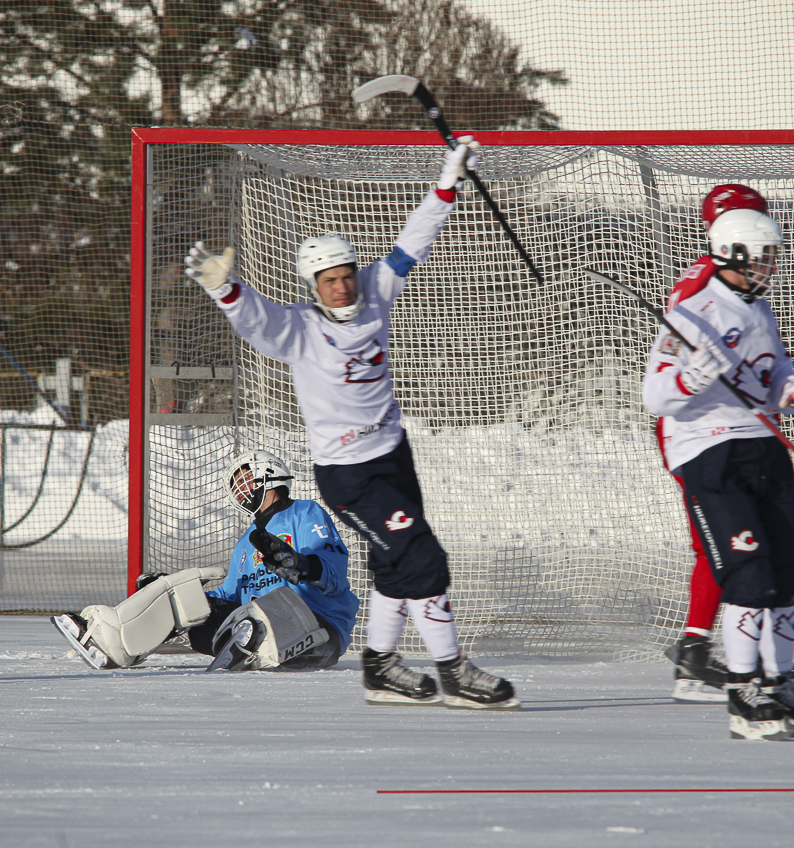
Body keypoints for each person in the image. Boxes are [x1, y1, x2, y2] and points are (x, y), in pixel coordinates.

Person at [182, 139, 519, 710]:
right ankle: (453, 670)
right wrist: (225, 288)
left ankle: (382, 667)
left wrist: (448, 177)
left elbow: (415, 239)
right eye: (329, 280)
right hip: (348, 474)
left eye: (346, 274)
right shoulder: (300, 329)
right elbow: (257, 322)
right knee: (422, 557)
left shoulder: (377, 294)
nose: (342, 286)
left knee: (392, 560)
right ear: (313, 286)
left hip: (393, 455)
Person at [642, 206, 794, 741]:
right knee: (748, 573)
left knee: (785, 573)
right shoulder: (692, 312)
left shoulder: (761, 310)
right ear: (735, 253)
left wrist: (791, 391)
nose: (772, 265)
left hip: (763, 448)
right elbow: (655, 396)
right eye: (765, 255)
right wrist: (693, 376)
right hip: (711, 453)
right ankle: (743, 691)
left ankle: (778, 682)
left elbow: (770, 377)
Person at [52, 450, 359, 672]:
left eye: (245, 479)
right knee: (184, 599)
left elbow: (334, 572)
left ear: (270, 474)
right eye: (235, 485)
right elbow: (229, 596)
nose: (239, 489)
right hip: (258, 626)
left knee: (260, 615)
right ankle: (112, 643)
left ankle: (249, 643)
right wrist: (170, 594)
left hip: (319, 628)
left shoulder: (304, 513)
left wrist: (301, 565)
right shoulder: (246, 542)